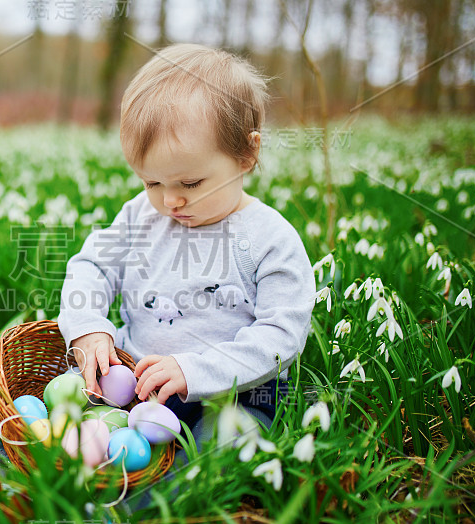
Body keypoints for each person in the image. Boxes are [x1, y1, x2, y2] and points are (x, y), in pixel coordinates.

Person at [57, 43, 316, 472]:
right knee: (66, 399)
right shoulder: (139, 218)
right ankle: (18, 464)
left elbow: (280, 336)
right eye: (151, 182)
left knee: (227, 440)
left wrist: (195, 371)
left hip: (235, 392)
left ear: (247, 154)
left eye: (191, 183)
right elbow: (91, 267)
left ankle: (159, 503)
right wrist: (87, 329)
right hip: (134, 377)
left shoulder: (269, 239)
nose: (170, 200)